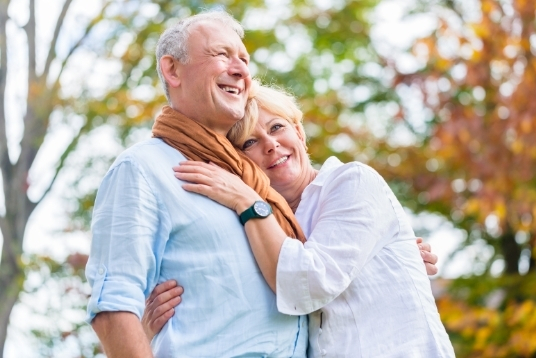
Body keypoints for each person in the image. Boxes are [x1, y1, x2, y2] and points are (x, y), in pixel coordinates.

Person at [144, 83, 455, 357]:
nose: (270, 144)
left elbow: (310, 280)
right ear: (238, 164)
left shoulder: (352, 182)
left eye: (277, 127)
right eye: (249, 143)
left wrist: (247, 200)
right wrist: (149, 332)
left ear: (300, 132)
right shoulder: (258, 227)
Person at [85, 11, 309, 357]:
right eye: (222, 54)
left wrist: (385, 253)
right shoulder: (143, 168)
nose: (240, 70)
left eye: (244, 60)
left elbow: (320, 265)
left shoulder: (255, 182)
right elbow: (113, 307)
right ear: (172, 70)